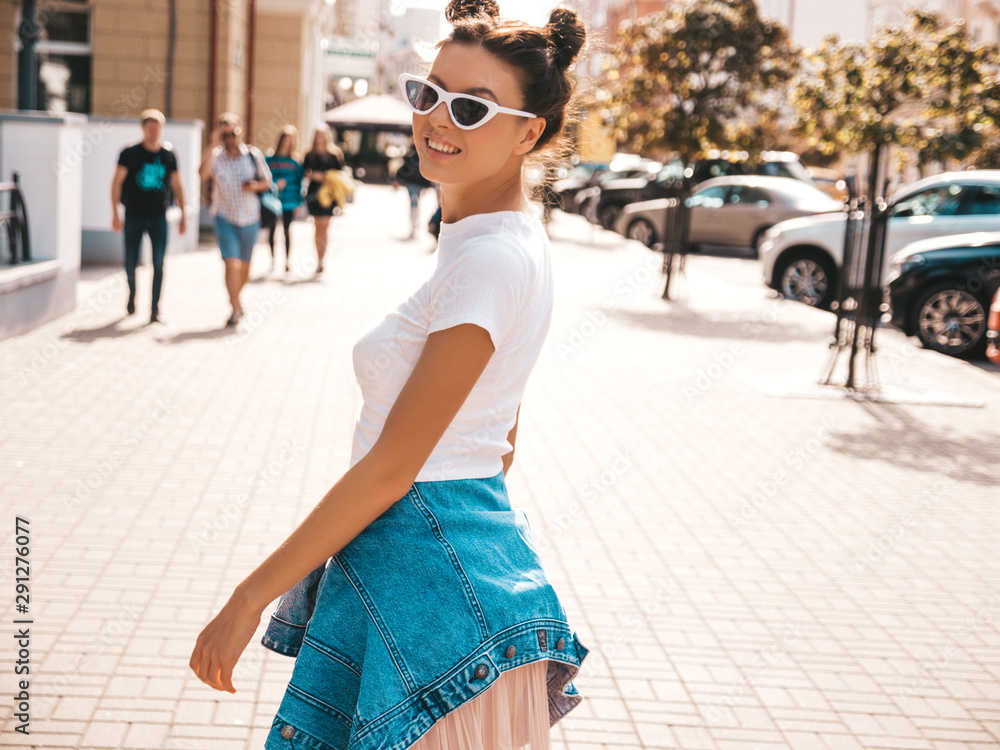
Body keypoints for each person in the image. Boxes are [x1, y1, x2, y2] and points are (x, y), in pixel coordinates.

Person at [189, 2, 588, 748]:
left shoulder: (489, 260)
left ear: (528, 131)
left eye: (471, 107)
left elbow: (393, 469)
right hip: (446, 565)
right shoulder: (500, 243)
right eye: (428, 93)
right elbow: (499, 445)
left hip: (429, 577)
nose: (438, 119)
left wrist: (248, 600)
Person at [111, 109, 187, 323]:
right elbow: (116, 183)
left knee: (159, 263)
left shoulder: (168, 154)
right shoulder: (129, 153)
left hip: (158, 217)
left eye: (157, 127)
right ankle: (132, 294)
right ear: (143, 128)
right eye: (150, 127)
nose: (154, 131)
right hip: (133, 215)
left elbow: (178, 185)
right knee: (131, 261)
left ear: (162, 129)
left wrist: (184, 215)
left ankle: (154, 309)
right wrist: (115, 213)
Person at [198, 113, 272, 326]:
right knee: (231, 263)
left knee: (245, 268)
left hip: (250, 217)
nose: (230, 138)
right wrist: (212, 146)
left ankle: (236, 300)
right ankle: (235, 308)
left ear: (240, 130)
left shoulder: (252, 154)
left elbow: (267, 181)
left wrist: (254, 186)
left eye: (233, 133)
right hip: (225, 217)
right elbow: (202, 173)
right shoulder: (217, 157)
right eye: (225, 134)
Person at [302, 125, 345, 274]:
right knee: (317, 227)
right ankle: (317, 256)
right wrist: (314, 176)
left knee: (325, 227)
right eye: (317, 135)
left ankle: (321, 259)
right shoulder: (309, 154)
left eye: (322, 135)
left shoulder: (335, 154)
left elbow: (341, 175)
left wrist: (327, 178)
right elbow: (304, 172)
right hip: (314, 194)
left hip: (329, 195)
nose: (319, 138)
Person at [265, 126, 304, 273]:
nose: (287, 142)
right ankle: (273, 260)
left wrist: (299, 202)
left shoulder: (295, 161)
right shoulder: (269, 159)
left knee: (287, 230)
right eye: (285, 138)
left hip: (290, 201)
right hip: (272, 201)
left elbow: (300, 182)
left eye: (290, 139)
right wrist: (275, 184)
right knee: (272, 230)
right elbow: (264, 177)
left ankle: (287, 261)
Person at [393, 143, 435, 238]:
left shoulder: (411, 157)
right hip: (420, 184)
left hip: (411, 184)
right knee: (416, 204)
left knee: (413, 204)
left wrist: (397, 179)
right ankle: (415, 224)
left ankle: (413, 225)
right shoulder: (425, 157)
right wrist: (428, 185)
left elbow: (404, 170)